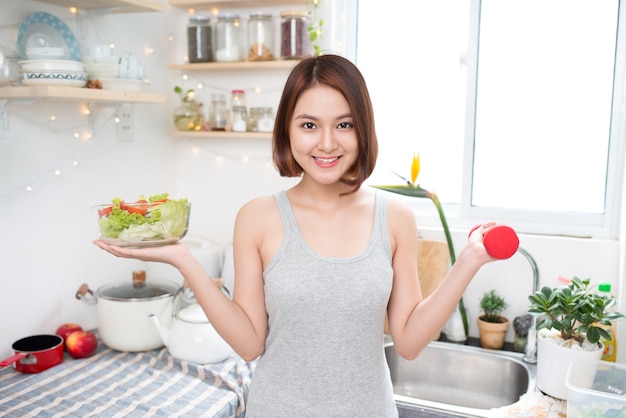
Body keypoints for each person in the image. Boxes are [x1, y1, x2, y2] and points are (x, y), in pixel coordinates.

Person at [94, 54, 497, 417]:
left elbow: (408, 341)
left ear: (363, 131)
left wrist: (469, 261)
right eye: (309, 125)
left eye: (344, 125)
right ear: (287, 130)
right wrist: (182, 259)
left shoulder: (395, 217)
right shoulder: (258, 218)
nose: (326, 143)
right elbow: (250, 343)